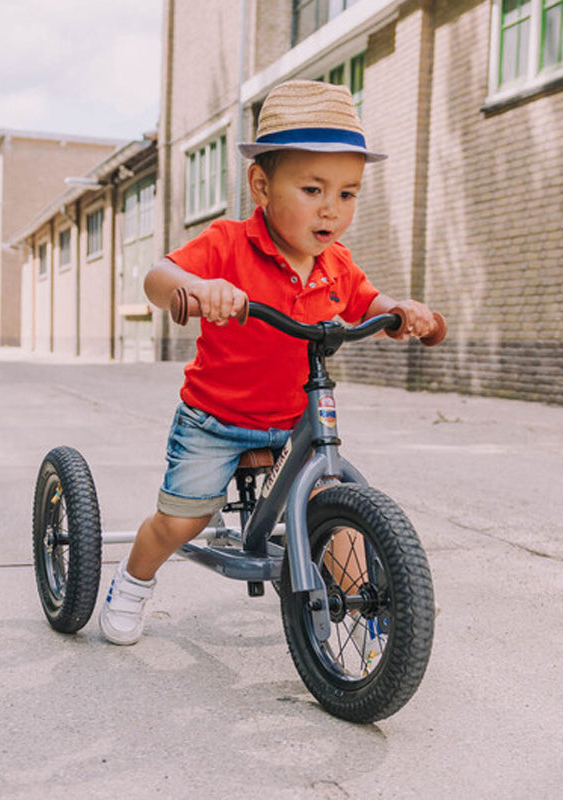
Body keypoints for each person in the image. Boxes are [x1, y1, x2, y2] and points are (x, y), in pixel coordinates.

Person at [99, 79, 437, 645]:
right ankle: (133, 582)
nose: (332, 208)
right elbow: (158, 278)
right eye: (312, 188)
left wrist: (399, 311)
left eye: (348, 194)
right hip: (216, 418)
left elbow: (368, 302)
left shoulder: (337, 263)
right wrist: (199, 287)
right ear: (261, 184)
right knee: (184, 522)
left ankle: (367, 621)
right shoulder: (228, 244)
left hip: (295, 424)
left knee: (336, 507)